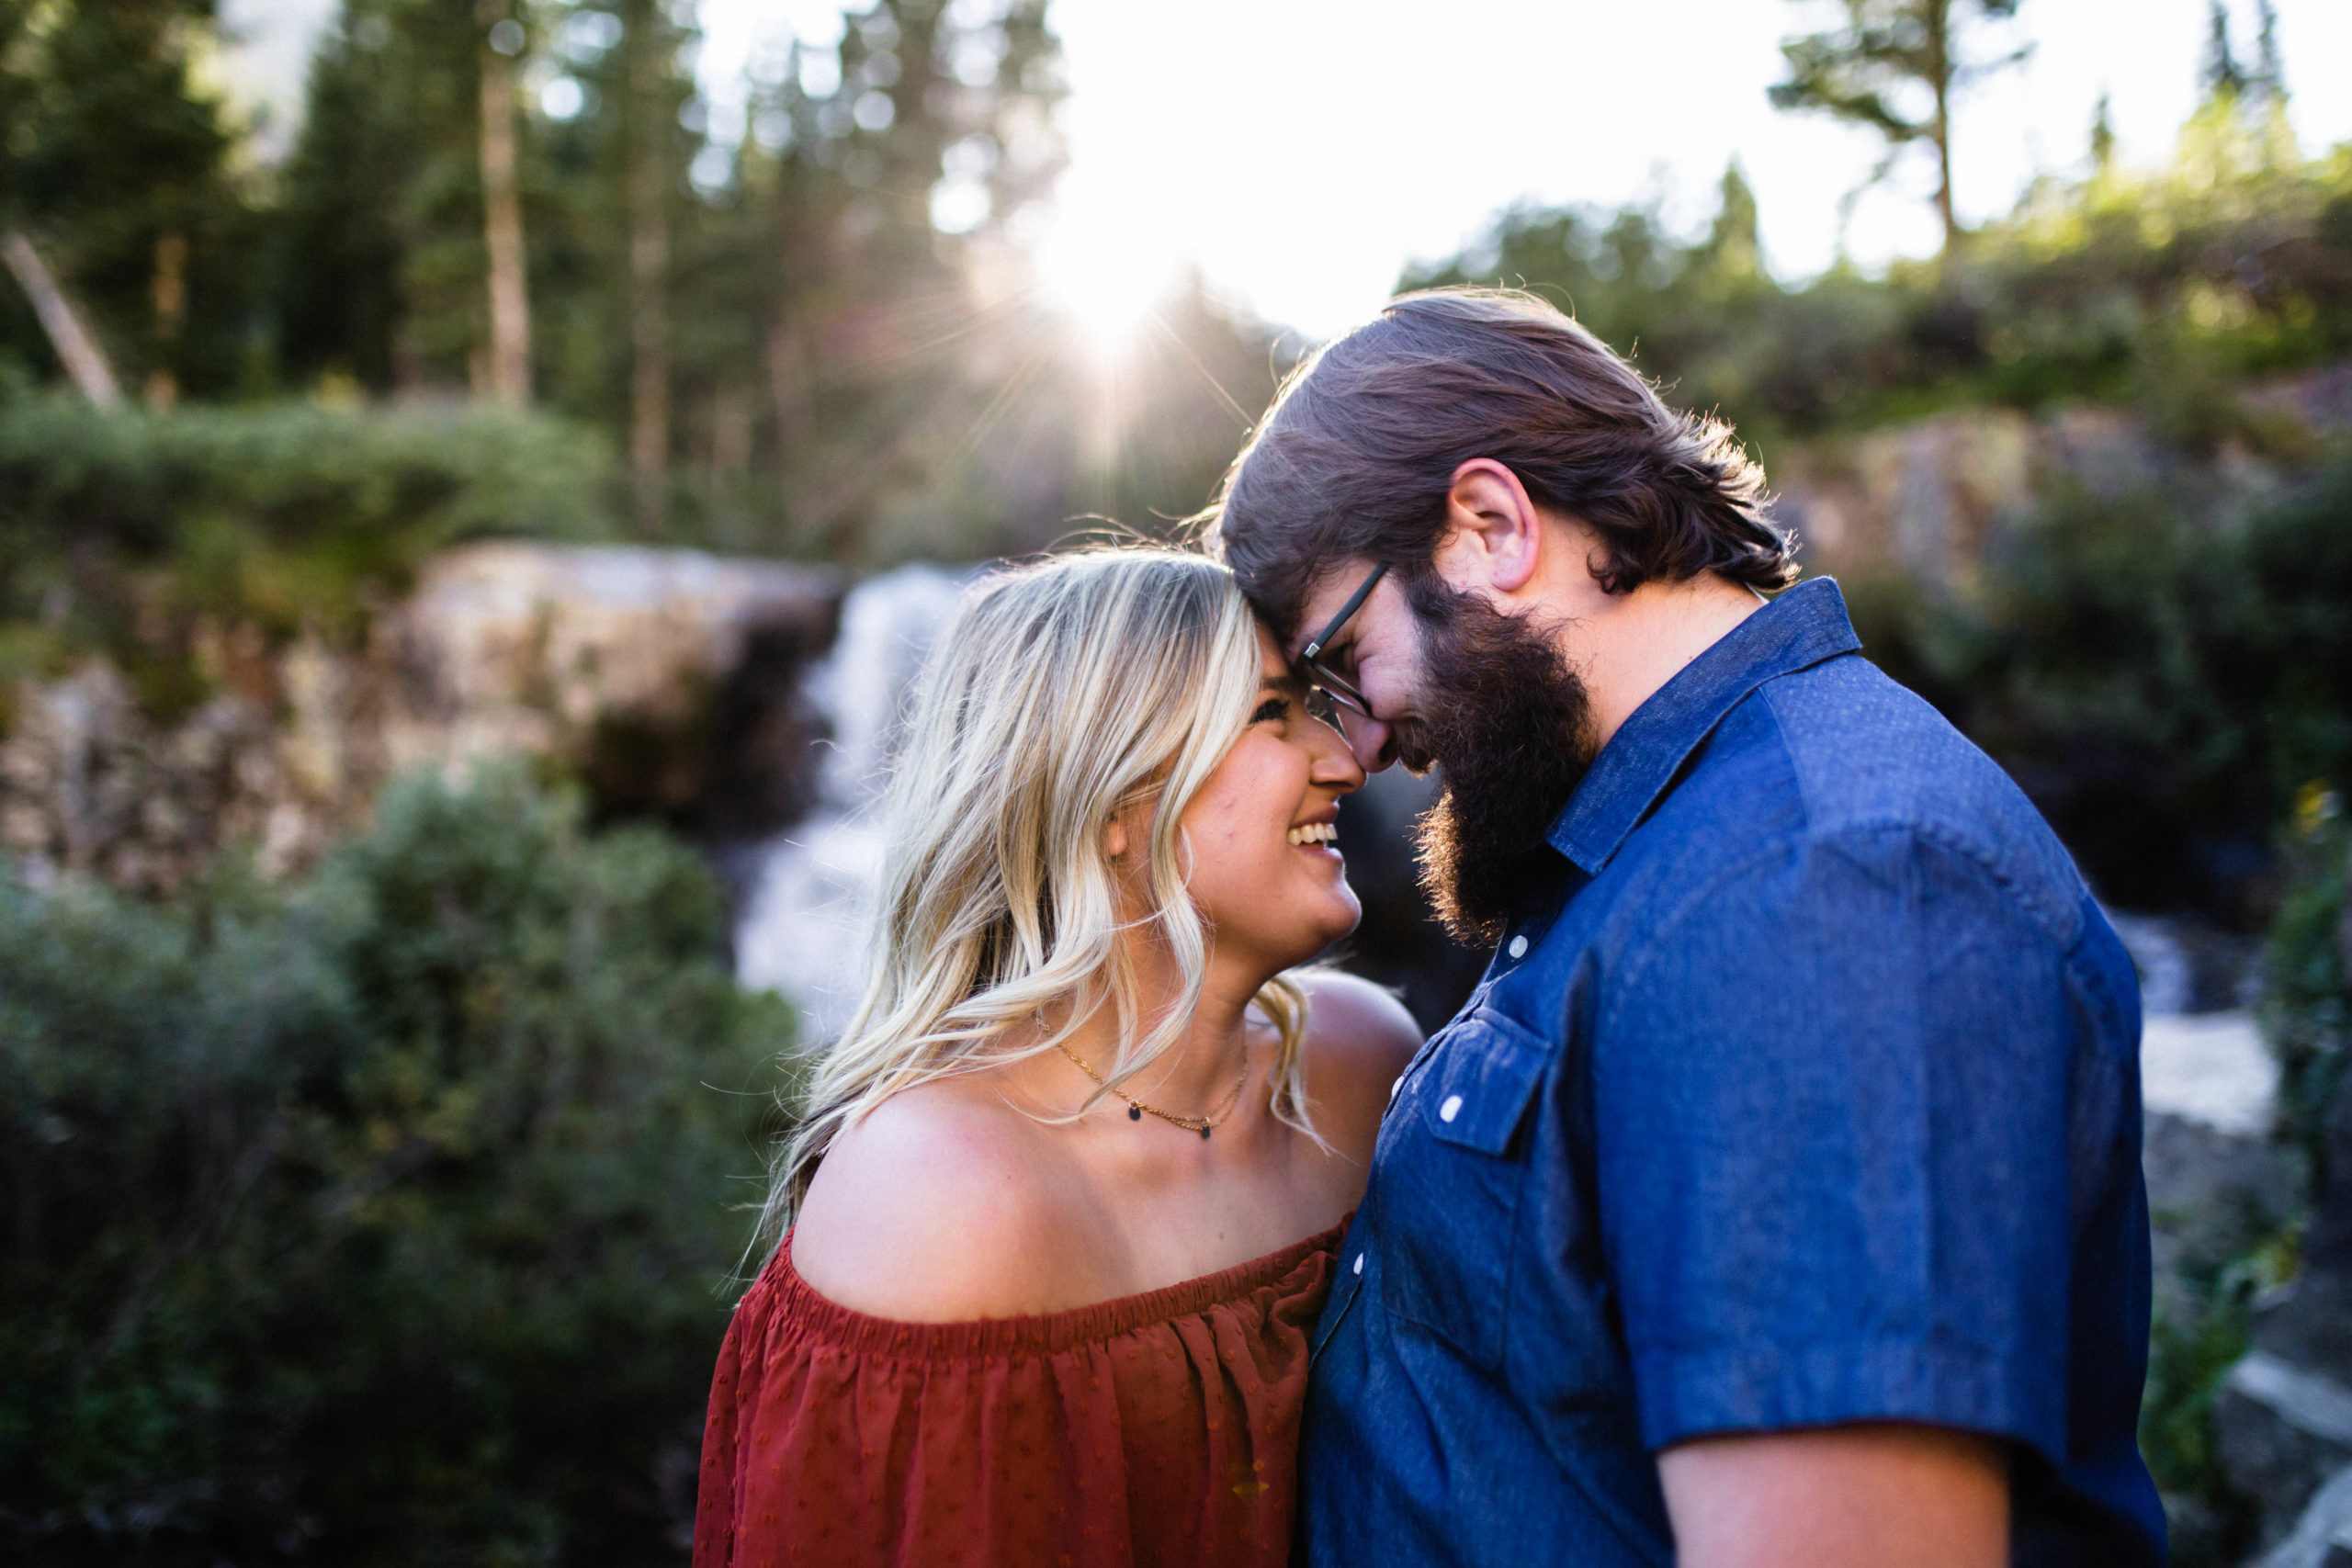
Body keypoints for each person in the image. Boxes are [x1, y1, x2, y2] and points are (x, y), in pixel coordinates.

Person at [1209, 288, 2164, 1567]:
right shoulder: (1646, 842)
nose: (1363, 742)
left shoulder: (1819, 886)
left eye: (1342, 660)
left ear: (1491, 525)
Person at [692, 547, 1420, 1568]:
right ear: (1110, 798)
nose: (1345, 759)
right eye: (1269, 714)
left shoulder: (1364, 1068)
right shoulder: (945, 1198)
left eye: (1315, 705)